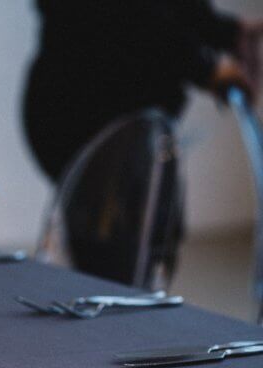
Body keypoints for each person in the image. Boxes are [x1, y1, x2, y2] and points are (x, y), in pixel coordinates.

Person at [23, 1, 263, 285]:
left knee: (141, 252)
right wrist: (205, 66)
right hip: (90, 109)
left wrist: (224, 31)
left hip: (124, 117)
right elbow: (130, 14)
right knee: (111, 261)